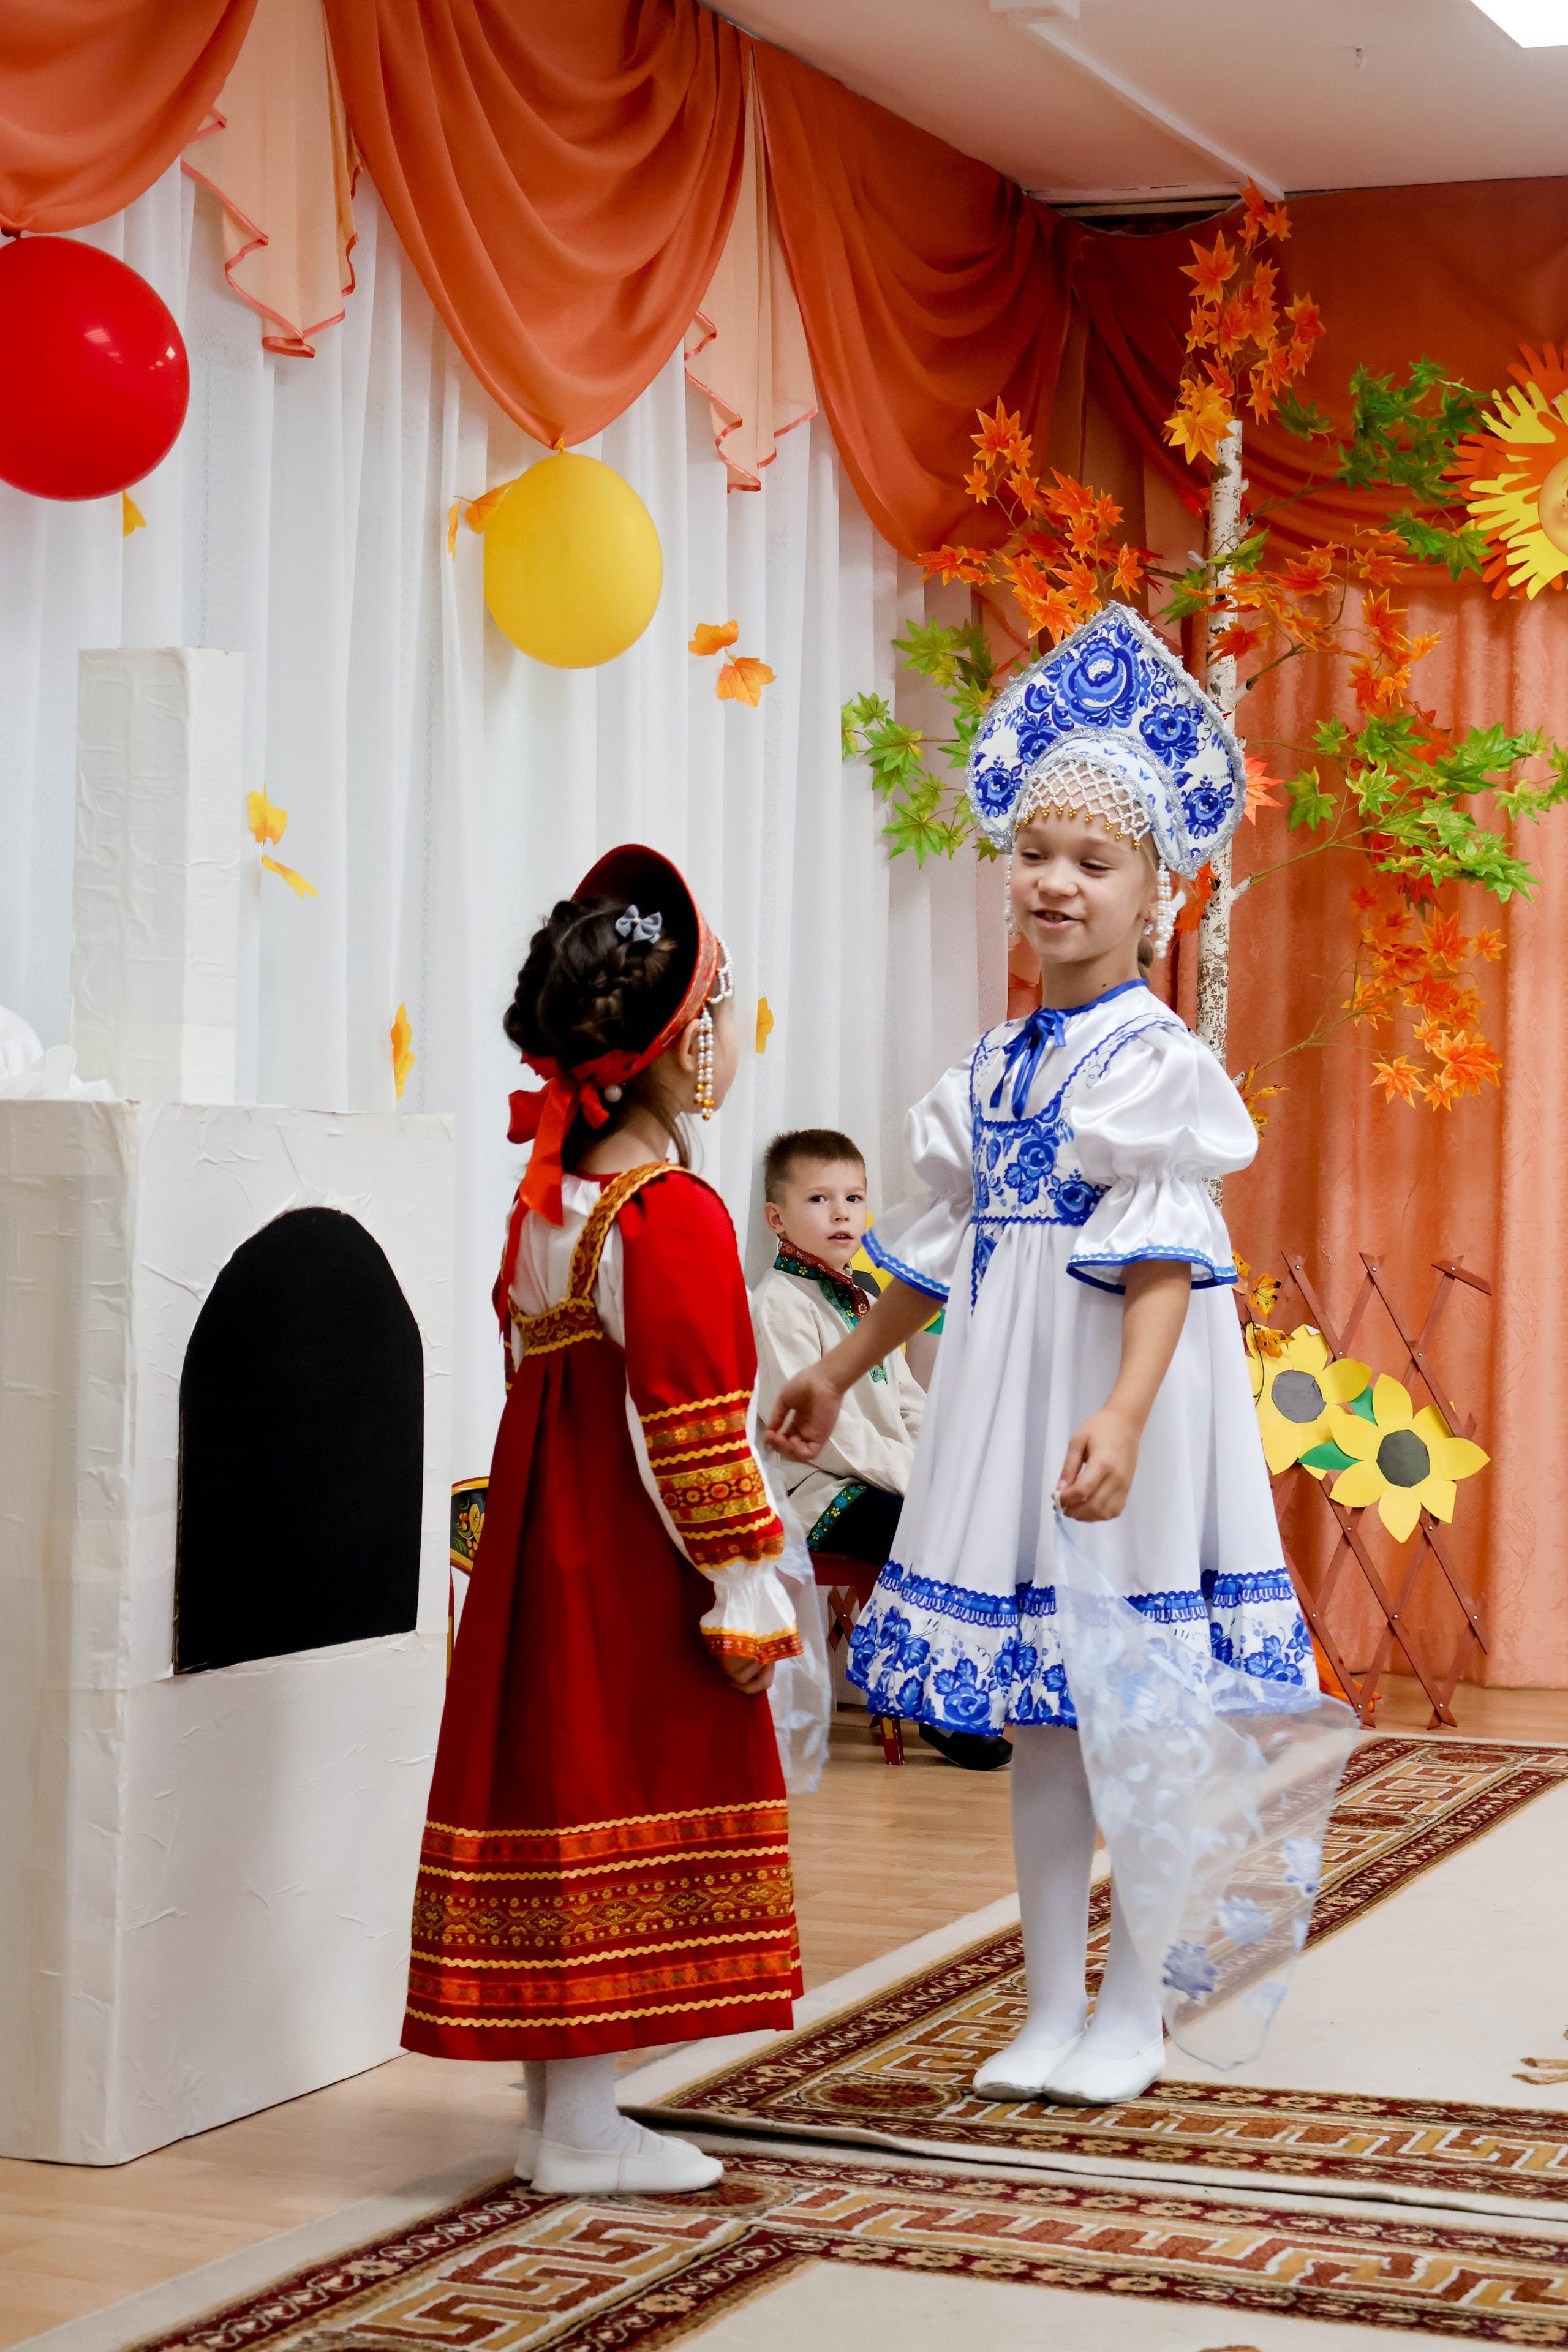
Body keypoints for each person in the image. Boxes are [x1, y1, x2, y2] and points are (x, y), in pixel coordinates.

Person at [767, 603, 1317, 2108]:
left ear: (1153, 892)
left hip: (1119, 1396)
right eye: (1034, 854)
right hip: (1010, 1405)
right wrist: (843, 1361)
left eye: (1094, 860)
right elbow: (938, 1255)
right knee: (1038, 1711)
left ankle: (1134, 2002)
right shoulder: (988, 1069)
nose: (1054, 882)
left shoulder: (1152, 1062)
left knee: (1130, 1697)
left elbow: (1160, 1257)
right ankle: (1047, 1997)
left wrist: (1126, 1412)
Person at [404, 845, 803, 2195]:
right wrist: (746, 1572)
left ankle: (561, 2115)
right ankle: (576, 2132)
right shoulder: (671, 1214)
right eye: (728, 1013)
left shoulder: (551, 1200)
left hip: (542, 1547)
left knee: (560, 1795)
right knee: (617, 1787)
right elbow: (690, 1426)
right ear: (683, 1053)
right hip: (628, 1567)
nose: (738, 1037)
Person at [752, 1129, 1009, 1772]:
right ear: (776, 1218)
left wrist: (939, 1467)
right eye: (819, 1198)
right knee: (912, 1529)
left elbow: (906, 1403)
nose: (841, 1213)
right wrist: (915, 1481)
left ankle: (967, 1688)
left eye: (853, 1197)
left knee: (963, 1518)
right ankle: (928, 1702)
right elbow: (823, 1429)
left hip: (881, 1477)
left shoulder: (866, 1301)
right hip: (814, 1490)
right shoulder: (776, 1304)